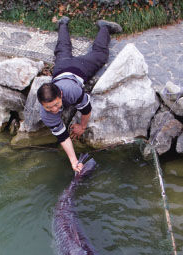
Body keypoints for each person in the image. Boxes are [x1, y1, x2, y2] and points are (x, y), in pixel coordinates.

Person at [37, 16, 122, 172]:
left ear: (60, 95)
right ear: (42, 105)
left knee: (100, 54)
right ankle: (62, 23)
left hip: (79, 69)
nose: (55, 110)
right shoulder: (45, 113)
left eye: (56, 104)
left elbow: (86, 108)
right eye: (49, 108)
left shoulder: (72, 91)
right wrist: (73, 161)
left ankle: (104, 27)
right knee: (62, 48)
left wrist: (82, 127)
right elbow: (62, 136)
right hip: (61, 68)